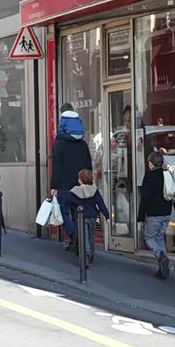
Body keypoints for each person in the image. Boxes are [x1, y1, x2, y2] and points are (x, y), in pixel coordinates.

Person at [51, 103, 93, 251]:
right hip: (80, 185)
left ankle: (75, 236)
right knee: (78, 213)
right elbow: (88, 165)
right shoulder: (83, 144)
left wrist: (54, 186)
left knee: (62, 211)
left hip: (64, 184)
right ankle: (80, 243)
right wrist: (89, 184)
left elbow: (57, 166)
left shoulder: (60, 142)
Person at [62, 168, 110, 265]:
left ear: (80, 180)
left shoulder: (74, 192)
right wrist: (107, 216)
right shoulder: (94, 190)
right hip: (92, 217)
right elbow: (100, 204)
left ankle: (86, 255)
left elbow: (65, 203)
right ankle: (91, 254)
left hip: (81, 218)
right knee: (91, 236)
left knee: (84, 237)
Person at [138, 152, 172, 279]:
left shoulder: (149, 177)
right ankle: (162, 267)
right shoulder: (167, 175)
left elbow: (145, 198)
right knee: (159, 238)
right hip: (167, 212)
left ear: (151, 163)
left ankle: (161, 255)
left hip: (154, 213)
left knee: (149, 238)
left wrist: (141, 216)